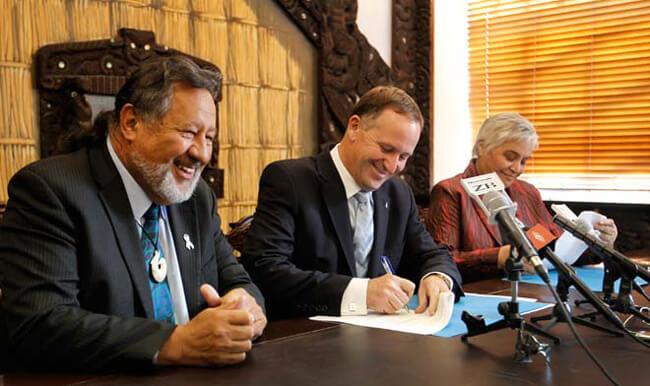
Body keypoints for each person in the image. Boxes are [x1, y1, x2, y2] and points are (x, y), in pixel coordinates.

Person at [0, 57, 266, 371]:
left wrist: (244, 305)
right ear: (130, 123)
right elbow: (40, 322)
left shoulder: (196, 199)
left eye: (208, 138)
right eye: (188, 132)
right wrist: (174, 343)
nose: (202, 154)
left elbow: (239, 281)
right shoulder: (52, 191)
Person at [241, 86, 463, 320]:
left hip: (385, 340)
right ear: (354, 127)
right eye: (386, 149)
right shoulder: (290, 180)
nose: (391, 166)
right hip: (306, 337)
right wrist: (362, 293)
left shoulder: (398, 193)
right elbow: (266, 271)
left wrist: (437, 277)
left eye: (403, 157)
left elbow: (432, 254)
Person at [426, 112, 618, 283]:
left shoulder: (527, 192)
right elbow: (440, 262)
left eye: (524, 161)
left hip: (533, 294)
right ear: (482, 147)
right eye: (510, 157)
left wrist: (598, 243)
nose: (517, 169)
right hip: (480, 296)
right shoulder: (451, 191)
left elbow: (556, 250)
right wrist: (500, 257)